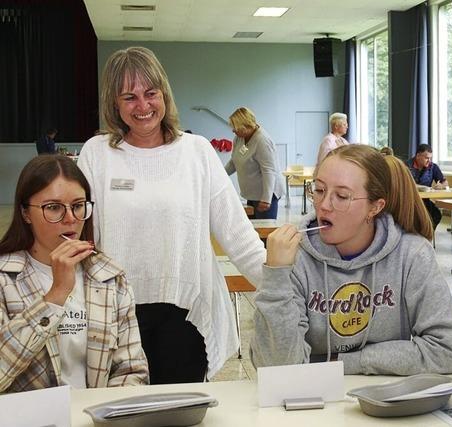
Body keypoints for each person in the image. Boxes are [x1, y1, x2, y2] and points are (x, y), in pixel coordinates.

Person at [78, 47, 265, 384]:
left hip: (186, 316)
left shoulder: (197, 152)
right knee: (122, 415)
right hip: (116, 314)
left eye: (151, 93)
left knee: (181, 412)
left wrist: (285, 287)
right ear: (114, 104)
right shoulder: (97, 154)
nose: (143, 105)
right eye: (129, 97)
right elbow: (77, 234)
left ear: (164, 94)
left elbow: (238, 235)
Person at [251, 144, 452, 375]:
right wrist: (276, 275)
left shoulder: (412, 254)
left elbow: (447, 351)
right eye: (319, 190)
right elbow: (277, 370)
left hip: (386, 400)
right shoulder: (294, 257)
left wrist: (344, 363)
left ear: (375, 207)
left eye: (342, 196)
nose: (323, 205)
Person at [0, 155, 148, 392]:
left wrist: (107, 412)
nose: (70, 219)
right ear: (26, 213)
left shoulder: (110, 277)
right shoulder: (5, 279)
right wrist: (55, 296)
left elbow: (131, 370)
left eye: (78, 206)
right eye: (54, 208)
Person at [225, 107, 285, 220]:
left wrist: (266, 199)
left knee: (264, 232)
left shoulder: (262, 140)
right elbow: (234, 162)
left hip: (266, 195)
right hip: (252, 194)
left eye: (236, 127)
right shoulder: (239, 138)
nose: (233, 130)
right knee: (251, 231)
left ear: (246, 126)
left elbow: (269, 171)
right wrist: (219, 174)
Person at [406, 144, 448, 228]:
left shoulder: (433, 167)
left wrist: (441, 185)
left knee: (436, 215)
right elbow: (405, 183)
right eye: (426, 158)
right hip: (409, 201)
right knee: (418, 218)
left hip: (425, 200)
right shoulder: (406, 166)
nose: (429, 160)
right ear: (418, 156)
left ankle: (427, 236)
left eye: (430, 158)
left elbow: (445, 182)